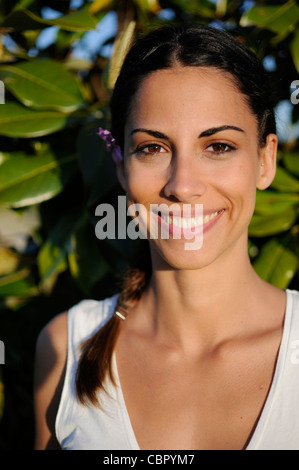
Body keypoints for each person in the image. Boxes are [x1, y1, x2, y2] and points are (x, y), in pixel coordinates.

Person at [33, 23, 299, 450]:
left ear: (265, 160)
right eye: (152, 148)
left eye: (218, 147)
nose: (182, 184)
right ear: (120, 165)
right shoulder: (66, 348)